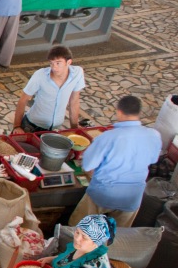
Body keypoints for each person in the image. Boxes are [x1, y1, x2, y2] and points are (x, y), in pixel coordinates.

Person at [69, 95, 162, 228]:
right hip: (132, 197)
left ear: (118, 111)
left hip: (102, 194)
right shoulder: (154, 135)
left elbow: (88, 165)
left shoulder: (107, 137)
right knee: (117, 237)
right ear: (139, 113)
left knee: (79, 230)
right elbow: (153, 159)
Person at [12, 45, 85, 133]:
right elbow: (23, 100)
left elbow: (74, 100)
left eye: (58, 63)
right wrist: (17, 126)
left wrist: (74, 127)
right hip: (31, 126)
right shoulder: (40, 75)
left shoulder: (77, 73)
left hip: (54, 128)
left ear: (69, 62)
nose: (54, 67)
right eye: (51, 63)